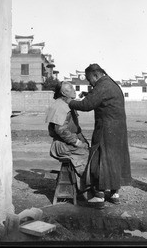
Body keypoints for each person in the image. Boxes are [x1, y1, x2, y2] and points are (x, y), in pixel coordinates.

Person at [67, 63, 132, 209]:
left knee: (100, 159)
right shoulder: (111, 84)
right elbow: (99, 98)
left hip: (106, 129)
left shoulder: (102, 86)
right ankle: (115, 193)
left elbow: (86, 105)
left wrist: (69, 102)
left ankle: (99, 196)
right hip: (118, 128)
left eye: (89, 79)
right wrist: (89, 95)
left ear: (96, 75)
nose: (89, 82)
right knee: (115, 158)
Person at [45, 81, 89, 191]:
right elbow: (60, 130)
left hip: (67, 142)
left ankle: (87, 187)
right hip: (61, 145)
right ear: (64, 93)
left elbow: (76, 129)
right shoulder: (60, 106)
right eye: (71, 89)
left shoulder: (68, 104)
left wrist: (84, 141)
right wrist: (78, 142)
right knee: (88, 157)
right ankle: (87, 189)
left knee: (91, 152)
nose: (74, 91)